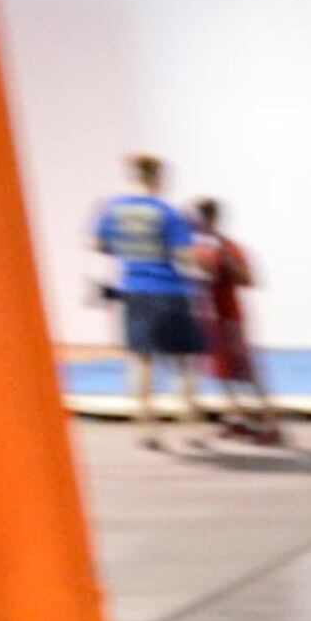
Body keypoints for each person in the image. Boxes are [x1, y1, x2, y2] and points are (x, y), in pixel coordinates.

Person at [91, 155, 205, 446]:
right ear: (158, 178)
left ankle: (145, 427)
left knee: (140, 360)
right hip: (169, 291)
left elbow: (96, 243)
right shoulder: (167, 212)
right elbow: (184, 256)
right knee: (182, 362)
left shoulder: (113, 210)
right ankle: (189, 428)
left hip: (134, 290)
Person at [188, 197, 283, 443]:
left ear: (209, 219)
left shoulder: (228, 247)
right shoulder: (193, 247)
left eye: (198, 219)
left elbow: (249, 280)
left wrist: (225, 262)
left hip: (229, 317)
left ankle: (271, 425)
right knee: (219, 371)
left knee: (245, 372)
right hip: (208, 318)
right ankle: (237, 418)